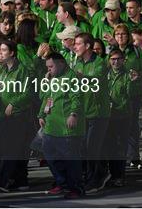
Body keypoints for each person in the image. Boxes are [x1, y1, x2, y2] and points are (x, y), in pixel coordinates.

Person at [0, 39, 36, 192]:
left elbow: (28, 92)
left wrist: (14, 103)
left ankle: (4, 180)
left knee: (12, 149)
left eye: (3, 50)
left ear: (12, 53)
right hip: (4, 115)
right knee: (12, 148)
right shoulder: (2, 69)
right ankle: (21, 180)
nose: (0, 53)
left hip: (18, 115)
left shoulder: (22, 70)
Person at [39, 53, 85, 199]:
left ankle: (76, 188)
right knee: (49, 154)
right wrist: (41, 114)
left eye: (51, 66)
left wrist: (73, 114)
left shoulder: (71, 77)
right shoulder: (52, 78)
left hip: (66, 127)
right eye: (47, 67)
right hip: (51, 125)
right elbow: (45, 97)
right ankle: (62, 182)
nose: (49, 69)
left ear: (61, 63)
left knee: (71, 160)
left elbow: (77, 97)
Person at [72, 32, 111, 194]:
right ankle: (99, 174)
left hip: (98, 112)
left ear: (88, 46)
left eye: (78, 43)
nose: (75, 47)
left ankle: (94, 180)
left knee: (91, 147)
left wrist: (80, 77)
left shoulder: (100, 62)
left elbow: (95, 81)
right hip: (83, 113)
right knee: (84, 147)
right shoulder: (78, 63)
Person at [104, 49, 136, 186]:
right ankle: (112, 174)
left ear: (123, 60)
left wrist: (133, 82)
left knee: (120, 146)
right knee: (110, 146)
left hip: (122, 114)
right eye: (113, 59)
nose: (115, 62)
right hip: (107, 115)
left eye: (118, 59)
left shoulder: (128, 75)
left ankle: (120, 176)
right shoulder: (105, 74)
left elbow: (131, 94)